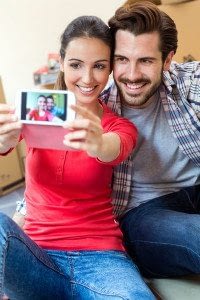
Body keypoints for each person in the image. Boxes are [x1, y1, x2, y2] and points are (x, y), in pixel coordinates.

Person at [0, 15, 155, 299]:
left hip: (101, 258)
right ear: (61, 63)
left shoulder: (118, 126)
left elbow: (114, 147)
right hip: (36, 255)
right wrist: (3, 141)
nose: (87, 79)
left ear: (109, 69)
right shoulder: (40, 110)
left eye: (99, 66)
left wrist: (97, 143)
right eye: (75, 65)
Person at [100, 0, 199, 278]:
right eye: (122, 59)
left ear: (168, 60)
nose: (131, 75)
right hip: (144, 214)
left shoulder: (189, 82)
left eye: (145, 60)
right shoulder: (96, 105)